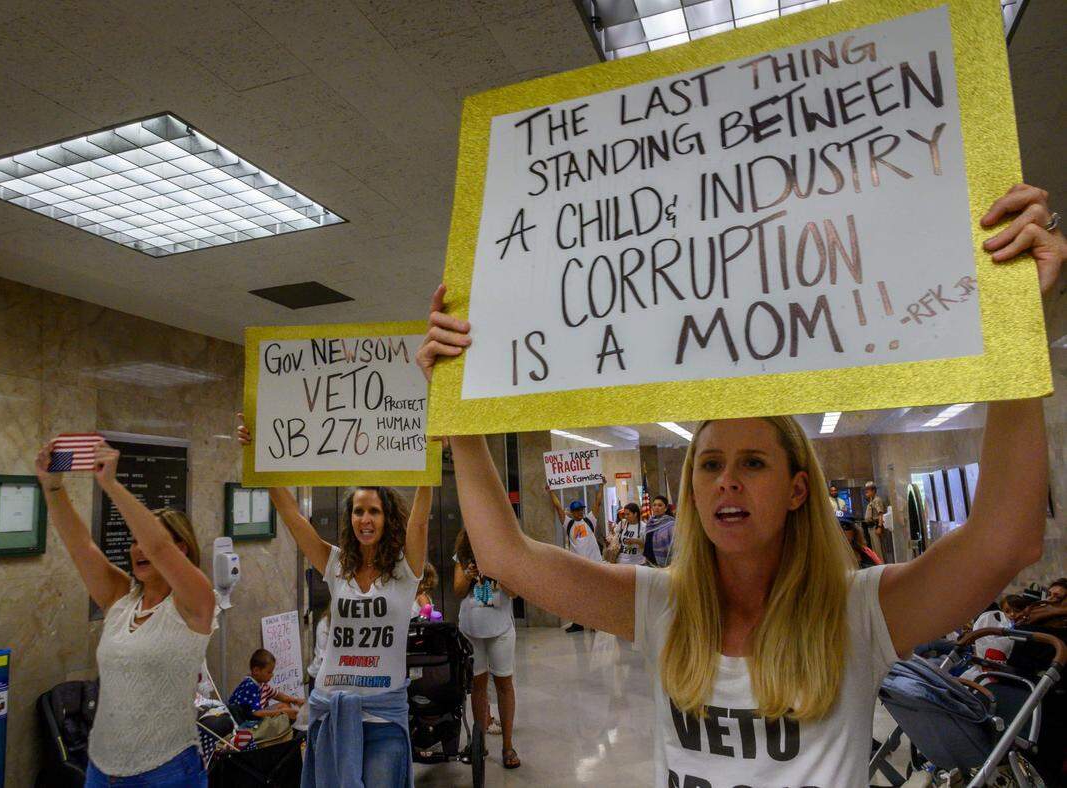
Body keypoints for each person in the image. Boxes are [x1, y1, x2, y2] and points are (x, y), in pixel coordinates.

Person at [415, 182, 1063, 784]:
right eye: (709, 464)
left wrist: (1018, 327)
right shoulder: (661, 607)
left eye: (753, 463)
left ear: (797, 490)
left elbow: (1005, 540)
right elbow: (506, 556)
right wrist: (459, 416)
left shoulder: (857, 612)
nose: (727, 481)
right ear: (693, 489)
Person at [237, 417, 432, 788]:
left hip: (382, 717)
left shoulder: (405, 570)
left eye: (374, 511)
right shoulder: (337, 564)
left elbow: (420, 525)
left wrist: (432, 460)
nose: (365, 519)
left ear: (388, 517)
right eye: (358, 511)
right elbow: (293, 517)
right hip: (331, 710)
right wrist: (259, 452)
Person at [35, 441, 216, 787]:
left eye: (143, 540)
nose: (137, 549)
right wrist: (53, 487)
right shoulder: (120, 597)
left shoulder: (196, 604)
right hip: (101, 771)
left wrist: (112, 485)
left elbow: (158, 546)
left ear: (181, 549)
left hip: (166, 773)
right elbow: (80, 546)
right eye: (132, 541)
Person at [453, 529, 520, 769]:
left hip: (500, 627)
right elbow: (458, 590)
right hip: (471, 628)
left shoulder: (505, 549)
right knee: (477, 686)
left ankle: (508, 745)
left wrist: (498, 574)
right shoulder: (463, 552)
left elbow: (515, 591)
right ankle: (479, 742)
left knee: (504, 683)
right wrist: (469, 574)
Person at [548, 486, 603, 632]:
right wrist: (551, 492)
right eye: (577, 510)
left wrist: (601, 486)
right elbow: (558, 507)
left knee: (593, 594)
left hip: (593, 564)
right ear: (572, 512)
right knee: (577, 595)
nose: (580, 512)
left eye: (581, 510)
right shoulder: (569, 523)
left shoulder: (590, 520)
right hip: (578, 566)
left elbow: (597, 503)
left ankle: (595, 623)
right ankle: (578, 623)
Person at [229, 649, 305, 722]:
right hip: (246, 722)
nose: (272, 675)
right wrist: (281, 712)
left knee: (285, 706)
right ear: (256, 671)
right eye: (269, 672)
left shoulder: (262, 684)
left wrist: (294, 700)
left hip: (256, 716)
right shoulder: (250, 687)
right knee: (285, 711)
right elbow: (255, 713)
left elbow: (277, 695)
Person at [642, 495, 676, 567]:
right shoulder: (650, 523)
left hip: (664, 564)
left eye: (660, 505)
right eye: (654, 505)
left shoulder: (671, 524)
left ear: (665, 508)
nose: (656, 507)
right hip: (649, 563)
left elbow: (674, 546)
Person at [863, 482, 888, 561]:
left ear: (873, 490)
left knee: (879, 550)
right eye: (866, 489)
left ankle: (882, 565)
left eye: (868, 489)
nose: (866, 491)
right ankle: (879, 564)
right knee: (875, 551)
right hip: (871, 527)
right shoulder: (872, 500)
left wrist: (879, 527)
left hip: (876, 526)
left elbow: (880, 514)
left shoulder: (877, 500)